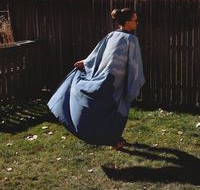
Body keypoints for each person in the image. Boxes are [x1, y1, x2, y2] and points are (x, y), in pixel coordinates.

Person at [47, 8, 145, 149]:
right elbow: (134, 65)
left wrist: (86, 62)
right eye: (135, 20)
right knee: (117, 112)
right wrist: (133, 86)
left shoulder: (111, 35)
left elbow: (97, 53)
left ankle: (113, 139)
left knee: (106, 111)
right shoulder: (131, 40)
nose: (137, 23)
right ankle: (114, 140)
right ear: (128, 22)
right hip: (116, 84)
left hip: (109, 80)